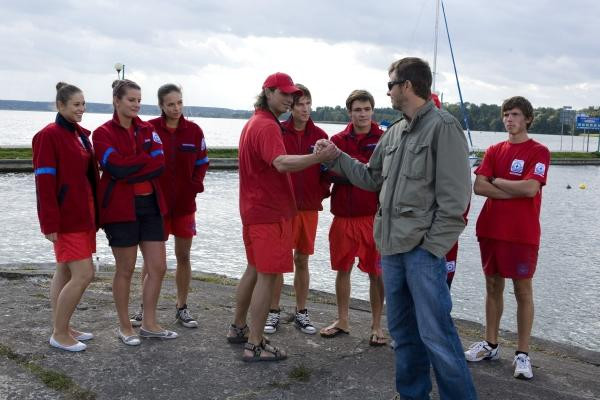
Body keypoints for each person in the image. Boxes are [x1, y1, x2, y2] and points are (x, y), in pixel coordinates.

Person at [315, 57, 477, 399]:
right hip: (391, 250)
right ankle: (412, 394)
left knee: (437, 336)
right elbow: (371, 178)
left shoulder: (444, 128)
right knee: (403, 334)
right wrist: (336, 156)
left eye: (390, 84)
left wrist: (432, 247)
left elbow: (457, 200)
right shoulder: (396, 132)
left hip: (422, 252)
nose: (387, 91)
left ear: (407, 86)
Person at [226, 72, 338, 362]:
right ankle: (255, 343)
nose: (290, 99)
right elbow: (280, 162)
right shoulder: (266, 126)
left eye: (293, 95)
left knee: (253, 269)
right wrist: (317, 159)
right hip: (270, 213)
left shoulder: (255, 122)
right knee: (268, 275)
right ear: (268, 92)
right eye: (284, 94)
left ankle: (238, 328)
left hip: (254, 210)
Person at [464, 96, 549, 380]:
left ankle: (523, 354)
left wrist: (497, 182)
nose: (509, 119)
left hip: (521, 234)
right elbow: (478, 186)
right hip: (490, 229)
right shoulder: (494, 150)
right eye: (505, 115)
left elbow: (529, 189)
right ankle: (490, 344)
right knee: (492, 286)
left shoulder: (539, 151)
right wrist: (506, 188)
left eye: (514, 114)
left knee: (522, 291)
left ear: (527, 118)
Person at [93, 79, 177, 346]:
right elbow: (114, 167)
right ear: (117, 101)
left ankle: (150, 323)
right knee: (126, 269)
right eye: (131, 100)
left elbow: (159, 164)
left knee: (158, 267)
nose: (137, 105)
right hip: (120, 209)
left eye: (140, 100)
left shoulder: (148, 129)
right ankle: (125, 326)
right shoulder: (102, 133)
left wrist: (130, 166)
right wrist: (141, 161)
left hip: (150, 205)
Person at [130, 84, 209, 329]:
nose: (176, 108)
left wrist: (195, 185)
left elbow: (203, 162)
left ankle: (181, 307)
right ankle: (145, 309)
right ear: (161, 106)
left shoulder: (194, 131)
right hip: (156, 207)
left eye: (179, 103)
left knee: (183, 256)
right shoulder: (148, 129)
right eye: (171, 104)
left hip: (185, 206)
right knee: (152, 261)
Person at [33, 82, 99, 352]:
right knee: (84, 274)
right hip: (67, 217)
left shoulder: (78, 135)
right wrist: (49, 223)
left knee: (64, 270)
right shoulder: (48, 135)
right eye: (76, 105)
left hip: (84, 214)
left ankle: (64, 325)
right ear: (61, 106)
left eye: (83, 104)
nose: (81, 109)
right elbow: (44, 183)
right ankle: (59, 334)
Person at [318, 90, 387, 347]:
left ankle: (377, 325)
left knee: (376, 273)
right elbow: (329, 172)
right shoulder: (336, 140)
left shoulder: (383, 139)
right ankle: (343, 320)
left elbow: (379, 176)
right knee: (342, 269)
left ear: (373, 110)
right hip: (343, 216)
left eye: (366, 109)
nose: (362, 114)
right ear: (350, 111)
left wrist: (349, 170)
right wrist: (359, 172)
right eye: (357, 109)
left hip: (372, 216)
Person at [264, 84, 329, 335]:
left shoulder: (320, 135)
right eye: (300, 104)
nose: (305, 109)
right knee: (280, 262)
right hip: (283, 208)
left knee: (302, 259)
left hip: (308, 209)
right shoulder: (278, 131)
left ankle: (302, 312)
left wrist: (319, 193)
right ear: (291, 106)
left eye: (308, 103)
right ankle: (273, 311)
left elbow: (327, 171)